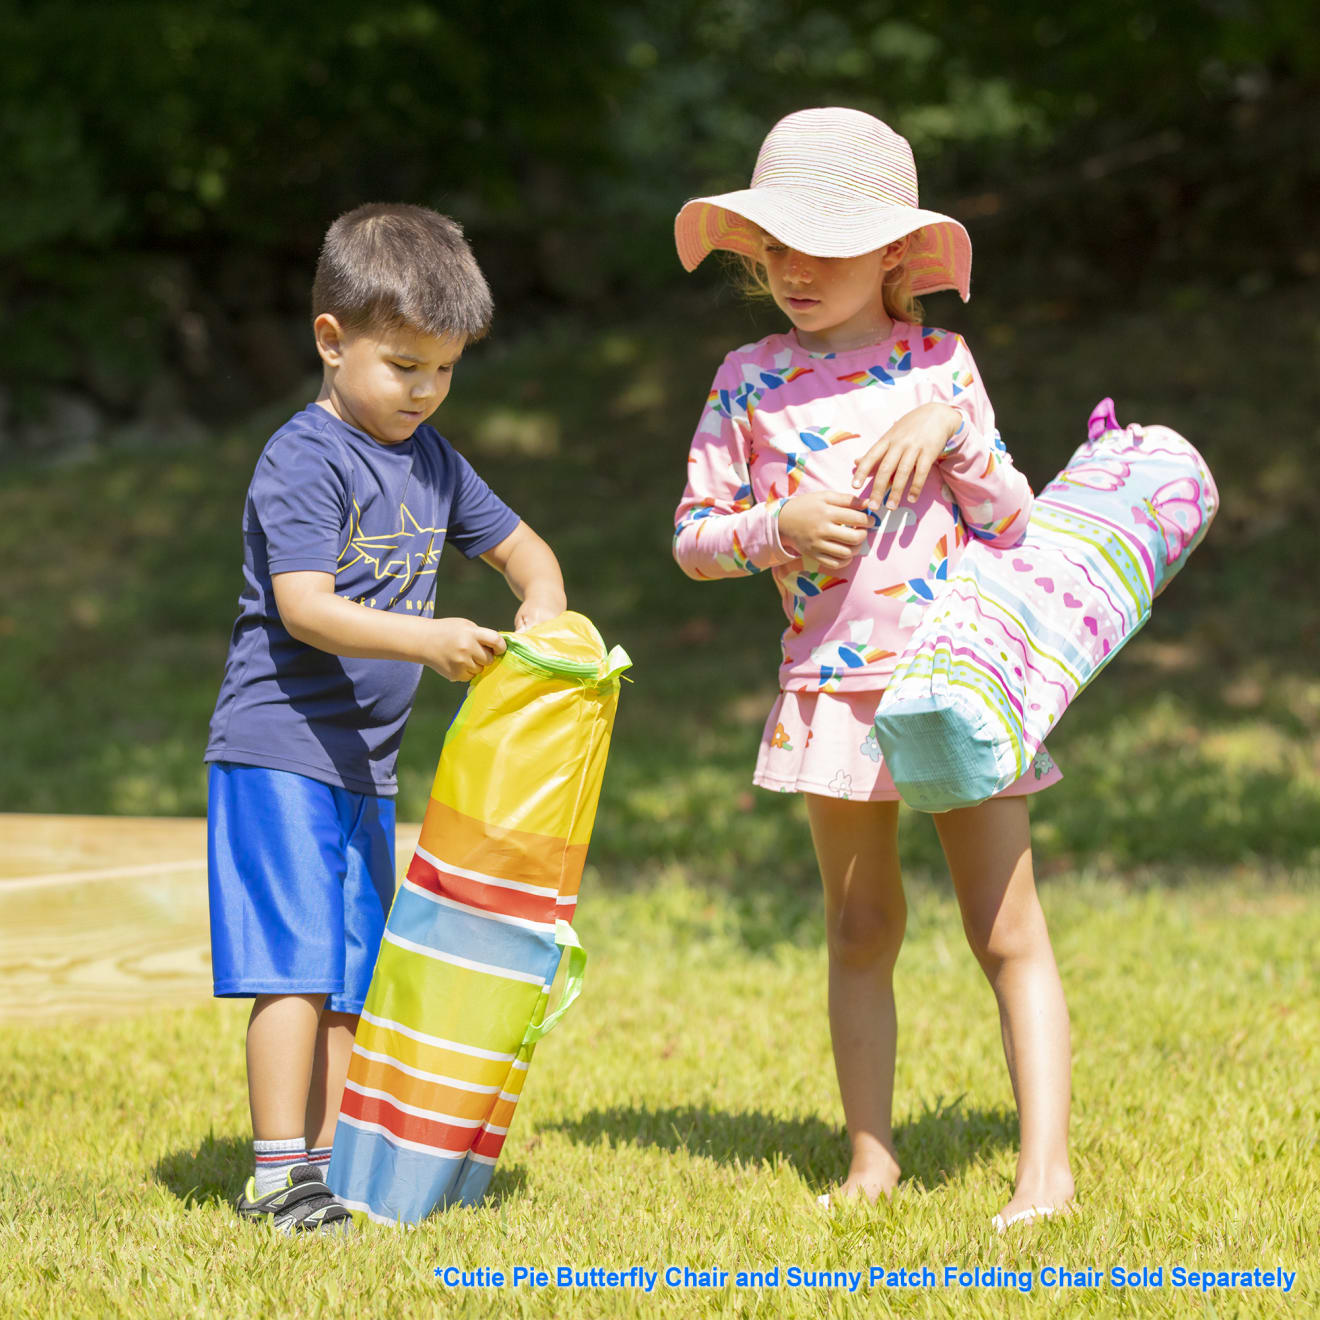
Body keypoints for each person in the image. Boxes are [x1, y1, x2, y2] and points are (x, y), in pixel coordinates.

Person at [672, 108, 1074, 1230]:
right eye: (776, 248)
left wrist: (954, 430)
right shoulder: (746, 381)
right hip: (832, 697)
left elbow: (1015, 523)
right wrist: (776, 526)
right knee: (859, 930)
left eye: (827, 247)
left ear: (897, 251)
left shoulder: (941, 366)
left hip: (955, 686)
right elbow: (693, 538)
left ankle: (1046, 1169)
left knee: (1004, 930)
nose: (793, 270)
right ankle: (871, 1159)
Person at [204, 203, 566, 1233]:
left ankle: (329, 1165)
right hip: (277, 745)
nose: (425, 390)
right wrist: (428, 639)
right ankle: (278, 1173)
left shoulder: (435, 461)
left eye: (444, 370)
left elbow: (523, 550)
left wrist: (541, 603)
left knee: (357, 971)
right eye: (404, 365)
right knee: (296, 965)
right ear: (332, 339)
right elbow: (304, 607)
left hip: (364, 764)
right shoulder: (303, 457)